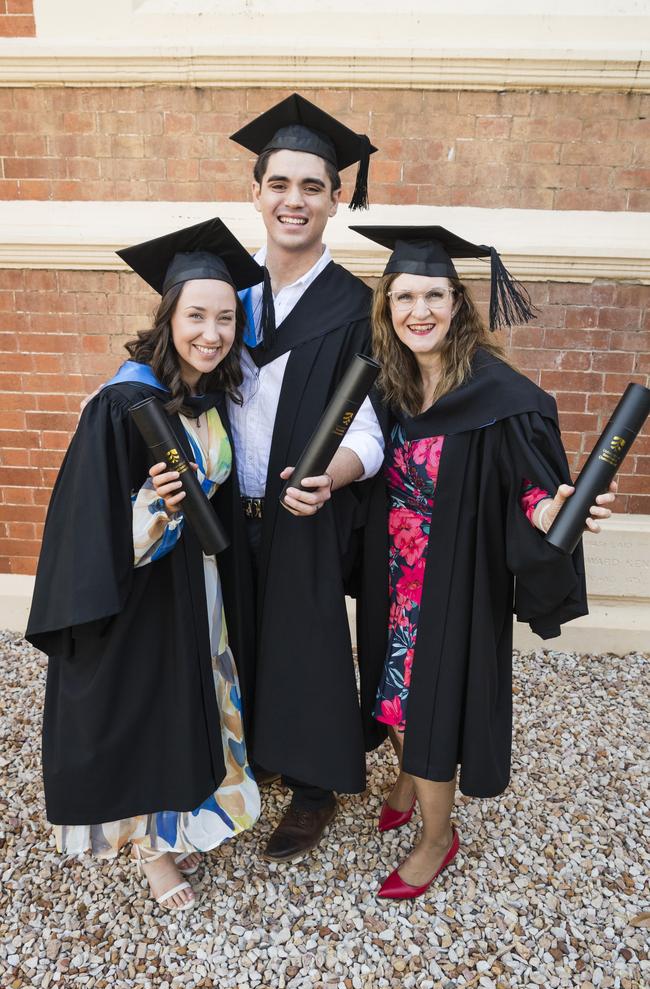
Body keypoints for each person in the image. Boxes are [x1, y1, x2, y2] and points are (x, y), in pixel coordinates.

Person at [350, 224, 618, 900]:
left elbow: (529, 487)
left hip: (454, 578)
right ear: (387, 308)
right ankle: (409, 776)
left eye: (434, 296)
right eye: (404, 297)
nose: (419, 311)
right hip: (395, 575)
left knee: (433, 703)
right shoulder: (392, 383)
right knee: (394, 692)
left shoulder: (499, 394)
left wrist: (551, 510)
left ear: (458, 303)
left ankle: (437, 838)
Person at [25, 218, 264, 912]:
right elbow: (87, 527)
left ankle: (182, 820)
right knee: (150, 717)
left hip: (198, 587)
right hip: (141, 595)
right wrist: (151, 508)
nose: (212, 333)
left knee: (194, 708)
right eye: (197, 316)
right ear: (169, 317)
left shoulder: (203, 399)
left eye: (225, 318)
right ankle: (152, 853)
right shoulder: (122, 406)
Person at [221, 93, 386, 861]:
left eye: (312, 186)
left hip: (305, 508)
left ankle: (314, 787)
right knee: (232, 634)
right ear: (255, 192)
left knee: (308, 642)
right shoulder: (225, 293)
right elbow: (169, 365)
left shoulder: (355, 306)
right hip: (226, 507)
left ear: (337, 198)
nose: (294, 200)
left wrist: (336, 475)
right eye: (279, 183)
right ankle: (247, 758)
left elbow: (373, 427)